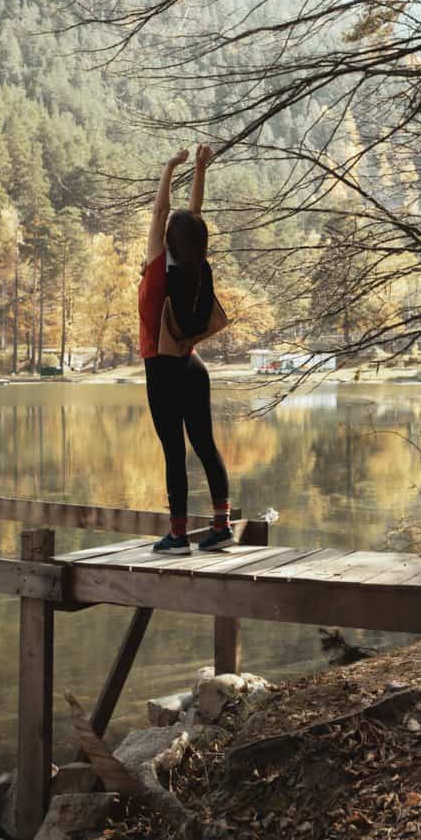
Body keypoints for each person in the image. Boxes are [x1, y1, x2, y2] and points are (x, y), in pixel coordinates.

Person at [138, 144, 234, 554]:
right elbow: (192, 220)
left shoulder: (159, 269)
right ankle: (221, 526)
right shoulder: (197, 266)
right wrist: (199, 169)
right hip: (193, 368)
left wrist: (169, 168)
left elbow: (164, 213)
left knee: (174, 452)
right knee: (206, 447)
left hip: (162, 369)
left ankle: (177, 535)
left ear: (167, 241)